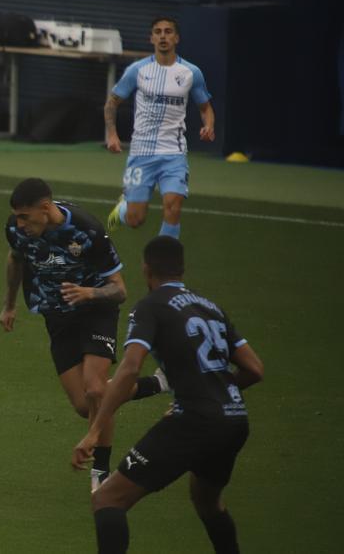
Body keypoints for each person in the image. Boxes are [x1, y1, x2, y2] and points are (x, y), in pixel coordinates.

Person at [73, 236, 264, 554]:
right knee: (208, 501)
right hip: (234, 420)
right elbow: (254, 369)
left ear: (147, 270)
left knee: (107, 498)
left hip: (194, 421)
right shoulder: (211, 308)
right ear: (182, 269)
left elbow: (130, 368)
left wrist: (95, 430)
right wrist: (215, 393)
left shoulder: (150, 307)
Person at [0, 178, 168, 491]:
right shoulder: (16, 231)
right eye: (17, 217)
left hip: (95, 311)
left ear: (46, 208)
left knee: (95, 390)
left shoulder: (86, 230)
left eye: (25, 216)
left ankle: (101, 472)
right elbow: (15, 259)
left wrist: (89, 293)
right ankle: (157, 383)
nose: (19, 224)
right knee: (83, 406)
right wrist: (9, 306)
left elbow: (119, 290)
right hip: (57, 318)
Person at [105, 17, 215, 239]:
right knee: (136, 219)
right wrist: (112, 134)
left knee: (173, 207)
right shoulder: (138, 70)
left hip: (174, 153)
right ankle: (124, 208)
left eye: (168, 31)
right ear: (151, 38)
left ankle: (166, 262)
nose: (163, 36)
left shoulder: (191, 72)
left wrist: (209, 125)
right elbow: (112, 103)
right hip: (141, 152)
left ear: (176, 38)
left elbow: (205, 107)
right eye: (158, 32)